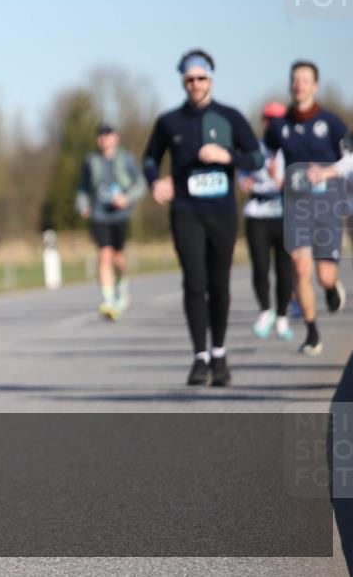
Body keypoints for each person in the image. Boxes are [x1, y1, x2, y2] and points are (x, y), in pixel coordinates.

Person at [142, 49, 263, 387]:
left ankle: (220, 354)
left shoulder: (230, 117)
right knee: (194, 282)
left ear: (210, 78)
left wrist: (228, 156)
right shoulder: (169, 122)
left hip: (221, 213)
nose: (195, 84)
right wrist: (156, 181)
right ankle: (199, 357)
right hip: (186, 211)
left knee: (218, 284)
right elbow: (150, 159)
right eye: (189, 79)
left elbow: (256, 158)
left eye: (201, 78)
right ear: (183, 81)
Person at [264, 60, 351, 356]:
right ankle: (312, 333)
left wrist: (328, 173)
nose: (299, 84)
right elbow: (264, 155)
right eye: (295, 79)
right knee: (301, 269)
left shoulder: (331, 122)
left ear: (315, 85)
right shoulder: (279, 125)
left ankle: (330, 287)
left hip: (327, 204)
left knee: (324, 275)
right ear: (291, 85)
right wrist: (269, 173)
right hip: (296, 205)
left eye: (305, 79)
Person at [76, 123, 145, 319]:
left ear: (116, 138)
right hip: (99, 214)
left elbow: (140, 183)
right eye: (100, 135)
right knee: (104, 255)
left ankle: (122, 285)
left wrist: (127, 198)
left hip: (120, 215)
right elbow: (83, 187)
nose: (104, 139)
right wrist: (83, 205)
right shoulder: (91, 161)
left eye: (108, 135)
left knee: (118, 257)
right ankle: (108, 300)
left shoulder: (126, 159)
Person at [238, 102, 293, 340]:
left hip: (284, 213)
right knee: (260, 266)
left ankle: (282, 315)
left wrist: (279, 178)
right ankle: (265, 310)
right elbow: (243, 175)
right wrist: (246, 182)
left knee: (284, 268)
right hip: (258, 214)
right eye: (269, 119)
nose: (273, 124)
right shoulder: (254, 148)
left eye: (278, 120)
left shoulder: (292, 149)